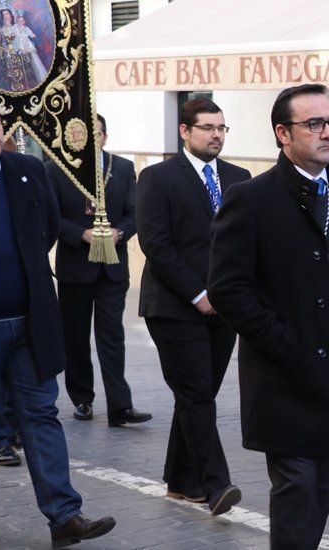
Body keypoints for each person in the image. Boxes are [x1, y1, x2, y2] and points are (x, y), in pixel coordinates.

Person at [0, 95, 115, 548]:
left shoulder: (28, 172)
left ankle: (64, 517)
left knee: (41, 417)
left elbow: (48, 230)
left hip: (31, 323)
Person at [208, 84, 329, 548]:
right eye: (314, 124)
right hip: (283, 380)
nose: (327, 132)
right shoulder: (251, 198)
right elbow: (228, 288)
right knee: (297, 489)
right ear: (283, 133)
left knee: (320, 488)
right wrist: (281, 341)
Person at [136, 98, 250, 515]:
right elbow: (156, 244)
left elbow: (243, 243)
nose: (216, 135)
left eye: (222, 128)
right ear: (185, 131)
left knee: (195, 395)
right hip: (173, 306)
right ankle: (216, 485)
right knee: (198, 393)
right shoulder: (158, 177)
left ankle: (180, 481)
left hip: (225, 308)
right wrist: (197, 295)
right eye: (207, 128)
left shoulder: (239, 179)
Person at [47, 114, 152, 426]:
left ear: (106, 136)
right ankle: (82, 398)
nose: (91, 140)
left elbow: (135, 214)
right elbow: (52, 218)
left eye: (98, 134)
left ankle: (120, 406)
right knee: (75, 337)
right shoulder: (56, 169)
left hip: (112, 269)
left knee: (112, 336)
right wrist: (80, 234)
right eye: (82, 135)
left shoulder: (122, 168)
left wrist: (119, 233)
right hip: (75, 267)